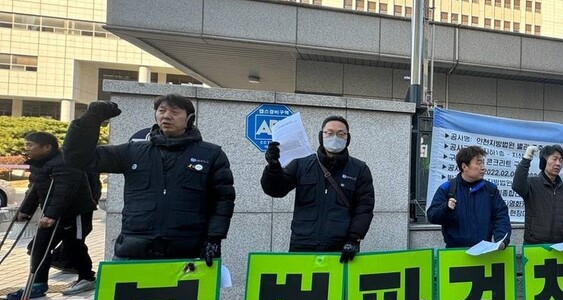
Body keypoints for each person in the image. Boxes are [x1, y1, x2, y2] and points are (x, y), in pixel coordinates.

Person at [62, 94, 235, 265]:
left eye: (174, 112)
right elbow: (78, 158)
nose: (166, 116)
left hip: (187, 251)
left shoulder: (210, 154)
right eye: (161, 111)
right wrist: (90, 120)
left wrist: (214, 238)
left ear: (189, 118)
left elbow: (223, 199)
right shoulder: (132, 151)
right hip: (133, 250)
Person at [261, 115, 374, 260]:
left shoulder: (360, 169)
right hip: (302, 245)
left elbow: (365, 207)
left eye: (341, 134)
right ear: (321, 136)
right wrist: (273, 166)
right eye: (329, 133)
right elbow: (276, 190)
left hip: (340, 248)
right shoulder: (301, 165)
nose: (335, 137)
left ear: (348, 138)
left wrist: (354, 239)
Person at [4, 133, 98, 300]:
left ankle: (87, 278)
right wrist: (25, 210)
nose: (27, 148)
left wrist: (51, 215)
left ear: (47, 147)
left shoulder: (65, 163)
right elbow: (34, 191)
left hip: (75, 213)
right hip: (53, 214)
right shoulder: (39, 165)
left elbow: (64, 191)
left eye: (31, 145)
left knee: (73, 247)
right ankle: (38, 284)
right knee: (38, 246)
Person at [427, 145, 511, 249]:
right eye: (478, 163)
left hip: (484, 253)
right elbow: (432, 216)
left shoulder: (490, 189)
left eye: (483, 163)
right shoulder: (448, 189)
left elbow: (501, 216)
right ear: (464, 167)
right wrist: (445, 209)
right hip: (454, 253)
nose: (483, 167)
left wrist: (501, 241)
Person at [511, 144, 563, 247]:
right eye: (554, 159)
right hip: (534, 246)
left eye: (561, 160)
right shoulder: (532, 184)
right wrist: (526, 159)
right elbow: (517, 186)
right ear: (544, 162)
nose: (558, 163)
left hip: (559, 246)